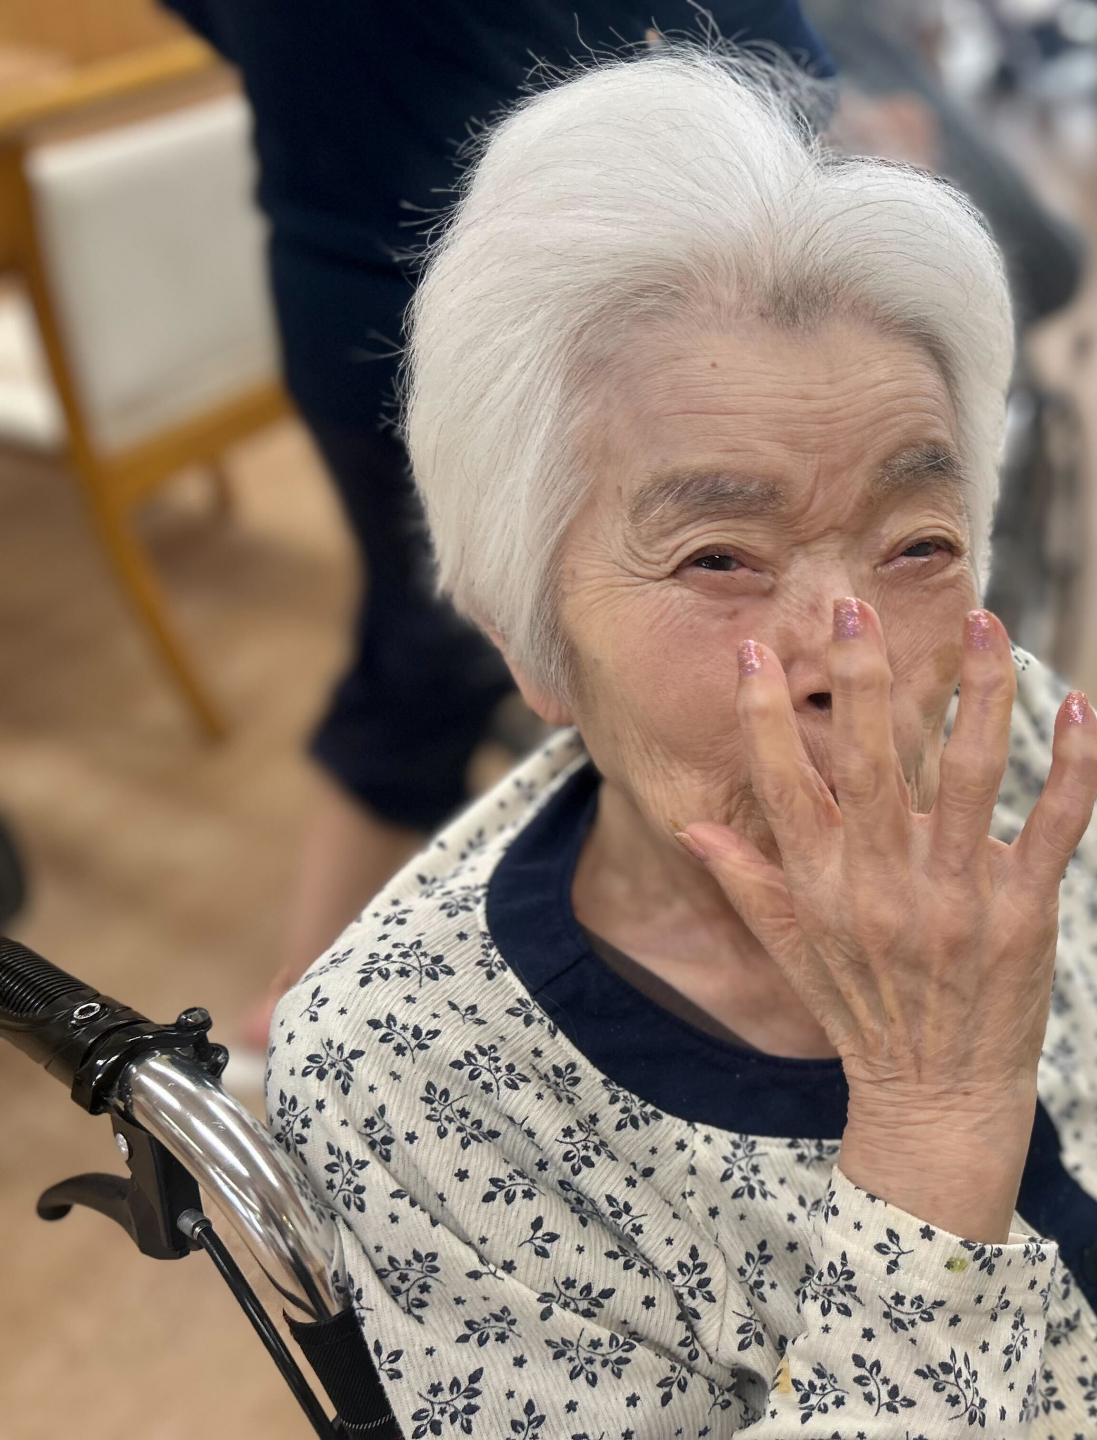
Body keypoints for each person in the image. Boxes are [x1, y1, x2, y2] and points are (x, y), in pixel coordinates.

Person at [269, 50, 1097, 1439]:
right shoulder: (411, 1072)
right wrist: (932, 1122)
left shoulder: (988, 736)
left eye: (916, 547)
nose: (863, 662)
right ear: (531, 637)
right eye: (719, 557)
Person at [159, 1, 836, 1053]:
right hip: (517, 319)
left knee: (434, 639)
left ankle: (307, 1001)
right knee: (504, 650)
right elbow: (770, 60)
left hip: (333, 297)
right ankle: (312, 1015)